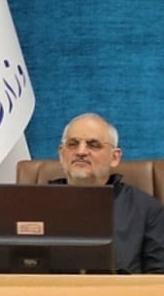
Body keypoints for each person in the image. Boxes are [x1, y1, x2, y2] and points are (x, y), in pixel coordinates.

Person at [53, 112, 164, 273]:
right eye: (72, 144)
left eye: (93, 145)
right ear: (61, 154)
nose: (81, 151)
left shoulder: (146, 209)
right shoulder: (35, 204)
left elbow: (159, 277)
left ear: (114, 158)